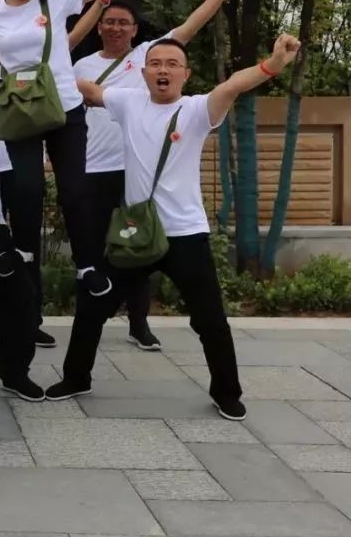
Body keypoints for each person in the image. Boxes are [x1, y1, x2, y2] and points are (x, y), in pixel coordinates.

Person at [48, 33, 301, 420]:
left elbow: (233, 85)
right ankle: (76, 377)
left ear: (186, 73)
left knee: (210, 318)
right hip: (136, 234)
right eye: (155, 64)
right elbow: (90, 90)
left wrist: (274, 63)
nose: (162, 70)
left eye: (171, 64)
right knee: (94, 304)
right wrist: (46, 68)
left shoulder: (197, 109)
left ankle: (227, 393)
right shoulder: (128, 101)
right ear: (144, 73)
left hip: (185, 234)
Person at [0, 0, 201, 304]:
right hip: (20, 108)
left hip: (65, 108)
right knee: (26, 187)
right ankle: (24, 250)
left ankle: (87, 265)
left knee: (75, 191)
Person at [72, 0, 247, 352]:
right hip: (95, 170)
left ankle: (139, 323)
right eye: (109, 21)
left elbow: (190, 27)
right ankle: (92, 322)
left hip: (138, 171)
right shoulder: (82, 65)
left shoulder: (151, 56)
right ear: (99, 26)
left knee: (145, 243)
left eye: (124, 22)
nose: (116, 27)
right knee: (102, 257)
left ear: (135, 30)